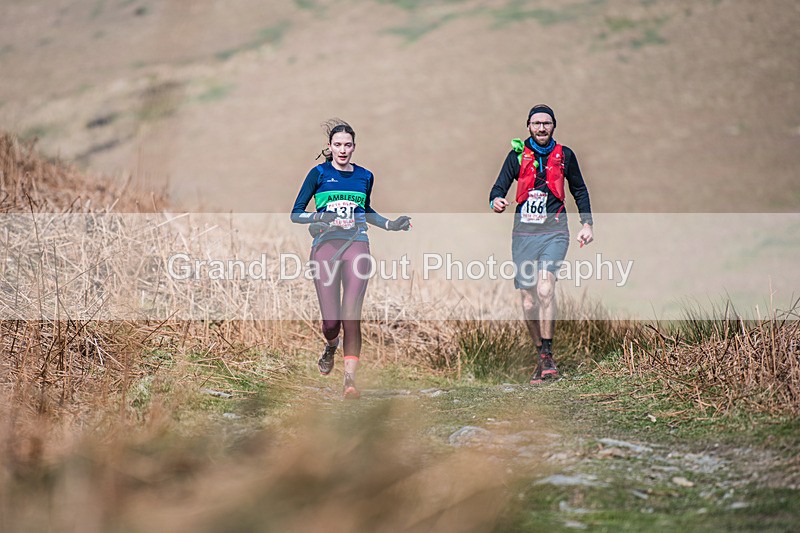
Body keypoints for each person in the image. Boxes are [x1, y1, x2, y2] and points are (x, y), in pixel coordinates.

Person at [291, 119, 411, 399]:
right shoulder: (318, 174)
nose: (343, 150)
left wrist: (391, 224)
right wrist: (320, 216)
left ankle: (349, 382)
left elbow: (365, 210)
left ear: (354, 147)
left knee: (351, 314)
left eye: (347, 145)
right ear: (330, 147)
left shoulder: (365, 176)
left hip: (357, 243)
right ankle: (331, 346)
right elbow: (296, 213)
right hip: (325, 246)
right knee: (331, 323)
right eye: (338, 145)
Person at [488, 104, 593, 384]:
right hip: (524, 235)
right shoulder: (517, 155)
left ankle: (548, 354)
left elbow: (579, 189)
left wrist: (587, 223)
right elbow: (498, 188)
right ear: (529, 127)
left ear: (554, 126)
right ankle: (541, 356)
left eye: (546, 123)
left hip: (555, 231)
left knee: (546, 288)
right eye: (537, 123)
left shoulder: (565, 155)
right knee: (529, 298)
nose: (542, 128)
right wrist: (496, 201)